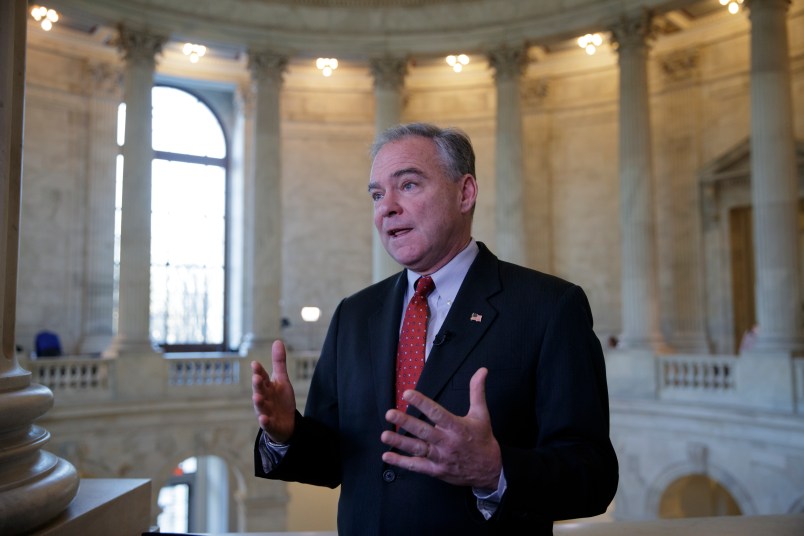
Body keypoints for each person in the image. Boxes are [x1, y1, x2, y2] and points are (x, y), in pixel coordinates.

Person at [251, 122, 618, 534]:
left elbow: (592, 477)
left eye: (407, 185)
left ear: (465, 193)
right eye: (376, 194)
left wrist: (493, 469)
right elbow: (335, 459)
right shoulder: (354, 314)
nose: (386, 207)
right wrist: (286, 434)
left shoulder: (549, 308)